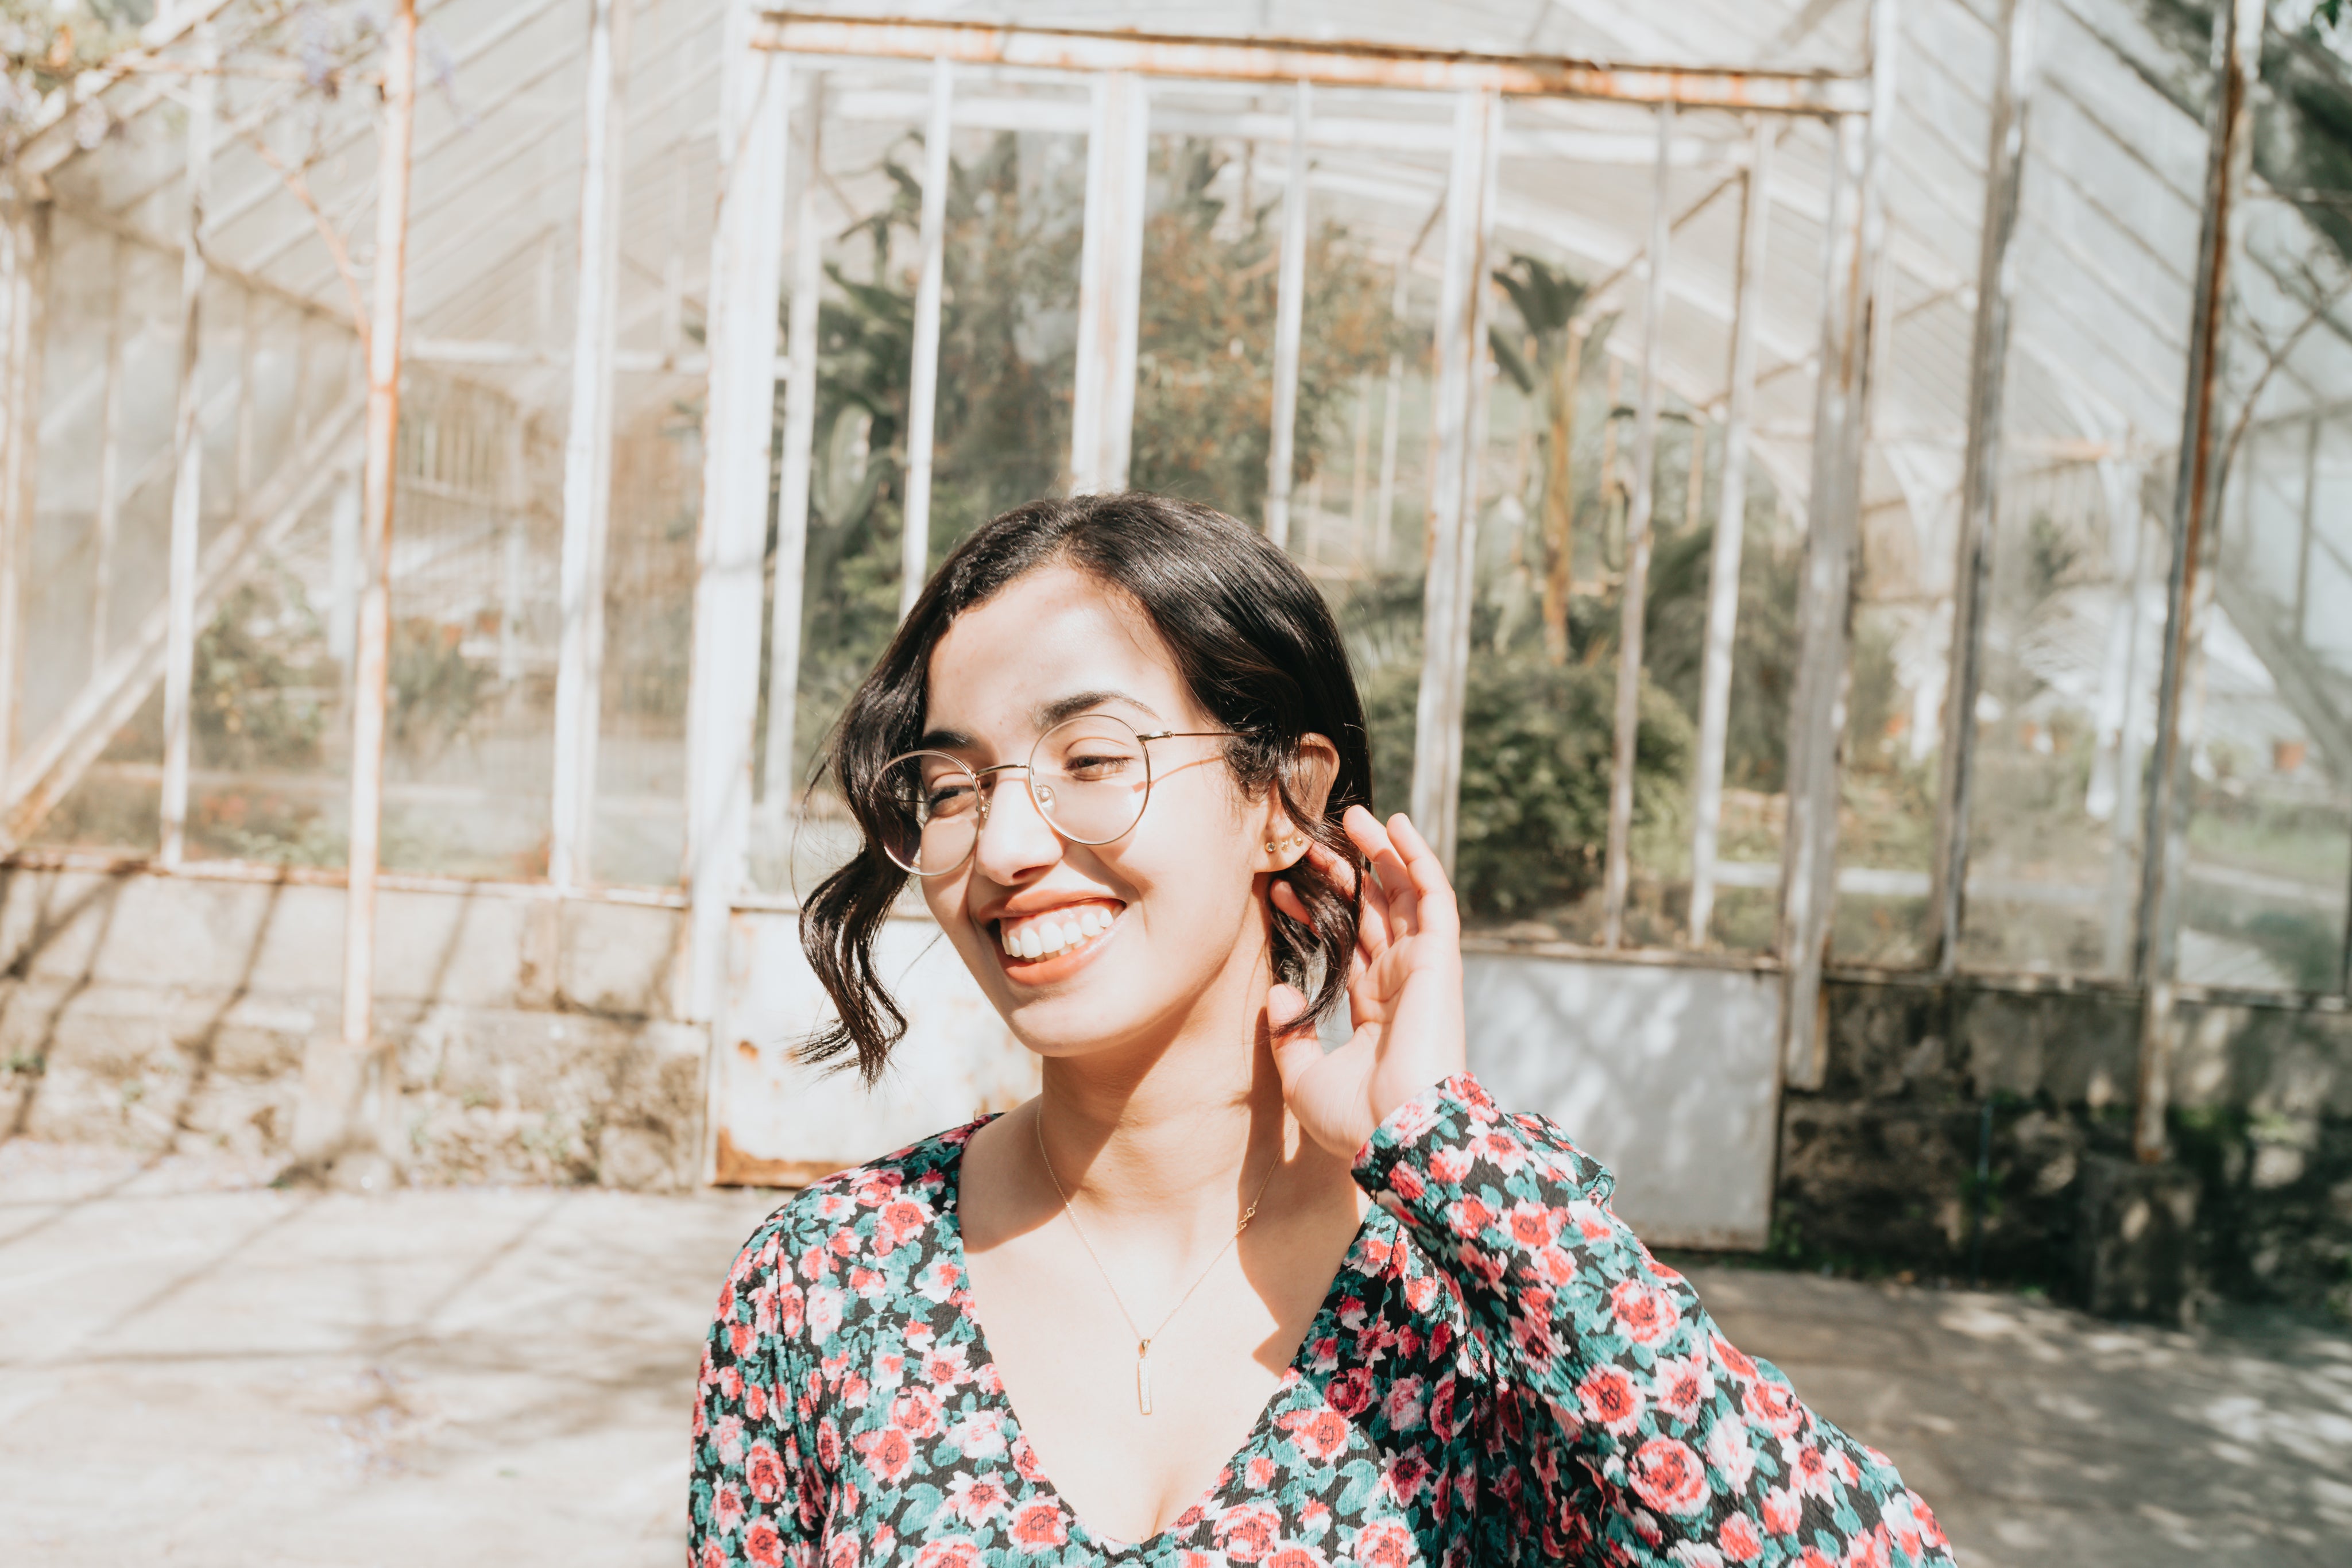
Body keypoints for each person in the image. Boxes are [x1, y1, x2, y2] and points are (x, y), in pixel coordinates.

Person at [690, 493, 1956, 1567]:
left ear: (1285, 797)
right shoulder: (826, 1287)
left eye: (1089, 757)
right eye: (954, 786)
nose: (1007, 848)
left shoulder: (1470, 1308)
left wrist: (1453, 1154)